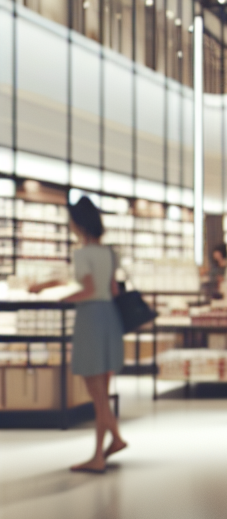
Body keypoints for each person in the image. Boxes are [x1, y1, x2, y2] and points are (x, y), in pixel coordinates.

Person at [63, 195, 128, 473]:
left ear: (77, 223)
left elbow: (87, 290)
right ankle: (104, 449)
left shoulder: (82, 254)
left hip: (90, 319)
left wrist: (62, 299)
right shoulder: (109, 253)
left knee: (97, 394)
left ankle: (111, 444)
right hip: (110, 319)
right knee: (103, 391)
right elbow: (112, 290)